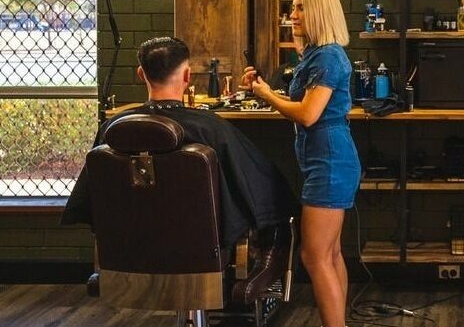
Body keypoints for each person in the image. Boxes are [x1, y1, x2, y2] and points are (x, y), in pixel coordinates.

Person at [63, 37, 296, 293]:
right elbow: (263, 188)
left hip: (132, 246)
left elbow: (92, 200)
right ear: (187, 76)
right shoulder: (211, 129)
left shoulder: (114, 129)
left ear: (141, 74)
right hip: (200, 246)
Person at [242, 0, 361, 327]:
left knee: (314, 255)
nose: (292, 14)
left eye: (299, 9)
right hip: (325, 162)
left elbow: (308, 114)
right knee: (329, 254)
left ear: (319, 12)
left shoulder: (328, 57)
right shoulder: (316, 54)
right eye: (292, 9)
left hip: (329, 163)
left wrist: (264, 94)